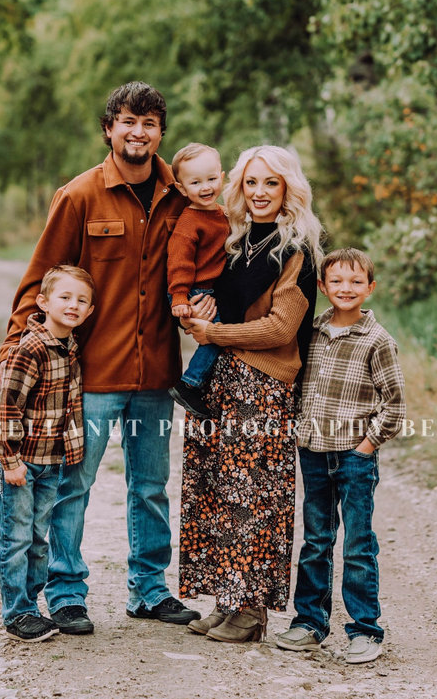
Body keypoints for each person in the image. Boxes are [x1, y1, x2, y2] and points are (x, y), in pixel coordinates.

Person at [0, 81, 211, 636]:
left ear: (161, 132)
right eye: (127, 121)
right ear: (109, 129)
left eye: (149, 123)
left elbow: (210, 256)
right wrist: (17, 350)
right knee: (73, 487)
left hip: (157, 373)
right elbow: (40, 278)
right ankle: (67, 594)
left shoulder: (181, 195)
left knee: (150, 487)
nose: (138, 132)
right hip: (89, 376)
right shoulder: (80, 196)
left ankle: (149, 590)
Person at [178, 144, 323, 643]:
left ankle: (252, 613)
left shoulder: (296, 249)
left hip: (261, 386)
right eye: (251, 183)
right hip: (222, 381)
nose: (260, 193)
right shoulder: (237, 241)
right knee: (217, 494)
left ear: (288, 189)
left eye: (271, 183)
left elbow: (281, 329)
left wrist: (215, 334)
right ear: (238, 187)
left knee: (255, 500)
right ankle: (226, 601)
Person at [274, 248, 407, 664]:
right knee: (316, 541)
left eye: (354, 282)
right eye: (336, 281)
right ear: (322, 286)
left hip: (353, 456)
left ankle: (365, 630)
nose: (345, 289)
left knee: (358, 545)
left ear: (370, 287)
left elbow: (395, 405)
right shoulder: (311, 331)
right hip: (313, 453)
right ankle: (309, 623)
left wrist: (365, 447)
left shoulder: (378, 341)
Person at [0, 266, 96, 642]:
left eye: (81, 300)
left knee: (39, 540)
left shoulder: (71, 347)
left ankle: (30, 606)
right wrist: (11, 460)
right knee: (16, 538)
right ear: (43, 302)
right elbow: (8, 407)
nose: (73, 305)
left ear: (89, 311)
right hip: (21, 462)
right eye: (65, 297)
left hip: (51, 462)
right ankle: (16, 612)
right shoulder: (30, 348)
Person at [166, 143, 229, 420]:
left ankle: (201, 383)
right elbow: (179, 263)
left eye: (211, 179)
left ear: (222, 177)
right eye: (195, 182)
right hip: (191, 290)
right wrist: (179, 297)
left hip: (210, 289)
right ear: (182, 189)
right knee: (218, 335)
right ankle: (190, 384)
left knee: (222, 334)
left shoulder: (223, 213)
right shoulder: (189, 223)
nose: (206, 187)